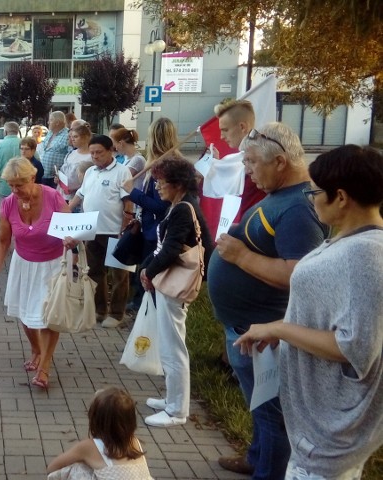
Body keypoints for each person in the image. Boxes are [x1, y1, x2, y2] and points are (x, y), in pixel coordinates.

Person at [234, 145, 383, 480]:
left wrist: (280, 330)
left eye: (315, 191)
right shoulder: (348, 242)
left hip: (332, 434)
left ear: (341, 197)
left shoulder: (367, 256)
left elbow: (355, 346)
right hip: (317, 429)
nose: (310, 198)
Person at [207, 122, 327, 479]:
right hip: (248, 327)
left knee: (272, 415)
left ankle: (266, 470)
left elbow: (299, 275)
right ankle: (256, 458)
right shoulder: (281, 197)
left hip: (265, 333)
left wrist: (241, 257)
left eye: (253, 163)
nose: (247, 170)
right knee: (260, 407)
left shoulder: (298, 210)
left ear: (279, 162)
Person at [0, 157, 73, 389]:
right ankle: (35, 349)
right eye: (10, 185)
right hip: (24, 263)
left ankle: (45, 366)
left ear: (32, 178)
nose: (14, 190)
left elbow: (71, 228)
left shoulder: (53, 196)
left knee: (46, 318)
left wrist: (72, 240)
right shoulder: (9, 204)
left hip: (52, 263)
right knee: (26, 314)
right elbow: (3, 239)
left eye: (19, 184)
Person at [138, 156, 213, 427]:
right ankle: (172, 398)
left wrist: (148, 271)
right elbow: (165, 247)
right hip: (169, 283)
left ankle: (177, 410)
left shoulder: (182, 208)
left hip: (176, 286)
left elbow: (170, 249)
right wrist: (148, 267)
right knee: (169, 344)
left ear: (178, 183)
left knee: (173, 348)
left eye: (161, 181)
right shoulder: (180, 206)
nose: (157, 187)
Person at [68, 135, 133, 328]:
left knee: (119, 275)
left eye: (99, 152)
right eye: (93, 152)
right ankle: (99, 310)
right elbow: (80, 195)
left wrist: (124, 228)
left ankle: (116, 313)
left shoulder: (123, 172)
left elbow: (128, 201)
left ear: (110, 151)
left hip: (115, 231)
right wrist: (66, 211)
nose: (95, 156)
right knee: (95, 272)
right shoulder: (90, 172)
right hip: (91, 231)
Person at [121, 118, 175, 312]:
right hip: (149, 228)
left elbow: (161, 206)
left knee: (148, 274)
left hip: (157, 232)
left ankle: (146, 312)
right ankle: (141, 306)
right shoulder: (158, 163)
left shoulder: (165, 167)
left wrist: (133, 193)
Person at [46, 388, 152, 479]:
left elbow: (52, 468)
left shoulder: (89, 446)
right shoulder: (134, 441)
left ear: (96, 420)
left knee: (77, 468)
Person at [57, 122, 92, 203]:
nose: (72, 139)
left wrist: (74, 188)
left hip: (78, 198)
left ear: (85, 138)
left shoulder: (90, 157)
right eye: (71, 137)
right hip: (63, 195)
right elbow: (64, 172)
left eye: (76, 137)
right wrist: (58, 178)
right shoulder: (71, 153)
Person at [0, 121, 22, 201]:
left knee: (5, 212)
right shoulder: (25, 144)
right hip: (23, 187)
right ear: (17, 131)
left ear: (5, 132)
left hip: (5, 187)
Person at [39, 111, 70, 188]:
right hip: (44, 175)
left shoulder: (67, 135)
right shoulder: (50, 133)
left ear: (57, 122)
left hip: (56, 178)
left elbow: (70, 154)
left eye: (51, 120)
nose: (48, 122)